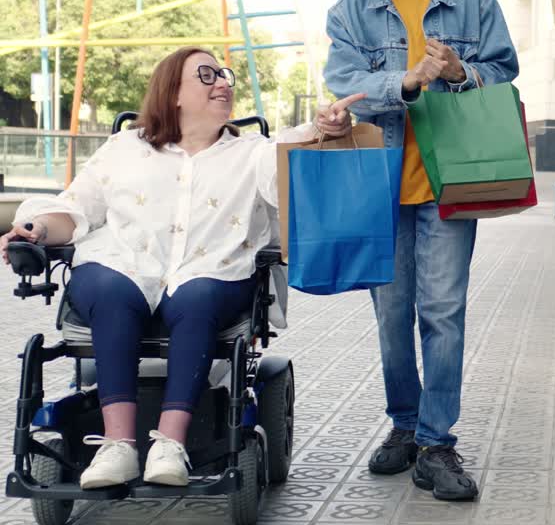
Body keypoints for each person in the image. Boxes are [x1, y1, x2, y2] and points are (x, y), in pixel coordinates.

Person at [0, 46, 361, 489]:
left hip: (210, 273)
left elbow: (299, 152)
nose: (223, 83)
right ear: (173, 92)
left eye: (225, 75)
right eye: (206, 75)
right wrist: (33, 228)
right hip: (124, 265)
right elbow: (75, 210)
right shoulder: (124, 148)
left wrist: (327, 127)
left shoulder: (252, 152)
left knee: (198, 294)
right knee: (109, 287)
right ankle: (118, 446)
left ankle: (170, 444)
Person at [322, 0, 518, 501]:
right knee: (390, 319)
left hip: (449, 179)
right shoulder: (350, 11)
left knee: (443, 313)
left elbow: (504, 72)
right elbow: (345, 80)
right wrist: (405, 81)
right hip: (378, 182)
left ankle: (437, 443)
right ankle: (403, 426)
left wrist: (462, 73)